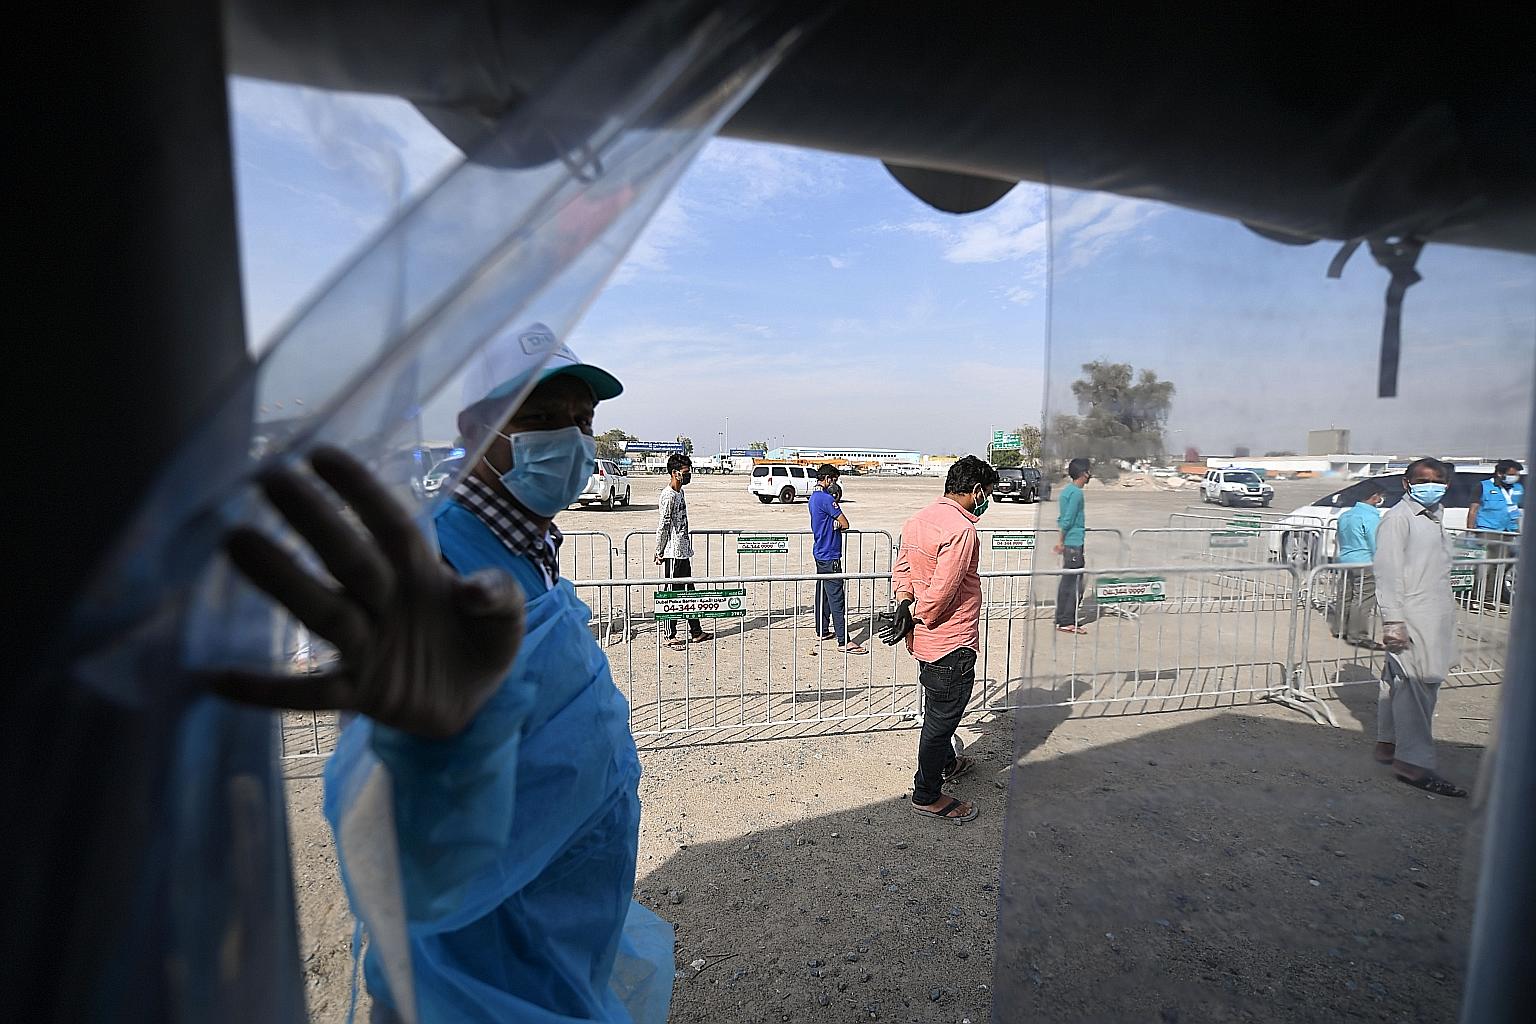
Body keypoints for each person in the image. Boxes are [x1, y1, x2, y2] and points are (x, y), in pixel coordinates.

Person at [215, 339, 675, 1022]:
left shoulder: (531, 548)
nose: (574, 440)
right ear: (474, 431)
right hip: (477, 972)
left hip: (554, 931)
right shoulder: (433, 568)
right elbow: (399, 840)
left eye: (583, 420)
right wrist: (432, 750)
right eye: (545, 416)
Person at [880, 455, 998, 823]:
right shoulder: (962, 529)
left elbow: (901, 569)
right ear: (976, 490)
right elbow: (944, 591)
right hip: (951, 639)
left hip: (925, 641)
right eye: (987, 493)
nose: (985, 501)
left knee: (938, 707)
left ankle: (947, 762)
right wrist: (914, 612)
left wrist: (903, 604)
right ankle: (927, 793)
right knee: (940, 722)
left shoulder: (919, 519)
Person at [1373, 457, 1468, 798]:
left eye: (1438, 480)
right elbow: (1387, 573)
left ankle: (1389, 744)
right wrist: (1394, 622)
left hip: (1434, 612)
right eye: (1423, 479)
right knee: (1418, 684)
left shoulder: (1434, 517)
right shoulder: (1399, 520)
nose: (1432, 485)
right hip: (1413, 616)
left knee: (1395, 681)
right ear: (1406, 483)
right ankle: (1412, 763)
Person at [655, 452, 711, 650]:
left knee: (689, 592)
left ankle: (696, 631)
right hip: (672, 552)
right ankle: (670, 634)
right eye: (685, 472)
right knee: (672, 594)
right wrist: (659, 550)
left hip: (684, 550)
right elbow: (663, 525)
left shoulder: (681, 493)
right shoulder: (668, 495)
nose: (688, 475)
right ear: (674, 473)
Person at [809, 464, 866, 655]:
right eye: (833, 479)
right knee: (836, 597)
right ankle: (844, 641)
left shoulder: (813, 497)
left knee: (823, 593)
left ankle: (822, 629)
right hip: (830, 553)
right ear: (828, 479)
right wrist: (836, 524)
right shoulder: (826, 499)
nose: (834, 483)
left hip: (820, 552)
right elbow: (845, 523)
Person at [1332, 481, 1386, 649]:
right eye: (1380, 495)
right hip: (1365, 561)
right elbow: (1374, 541)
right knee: (1362, 599)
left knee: (1345, 596)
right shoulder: (1371, 516)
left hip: (1346, 560)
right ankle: (1357, 635)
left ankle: (1340, 628)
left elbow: (1339, 537)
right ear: (1375, 496)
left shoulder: (1345, 515)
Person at [1053, 458, 1092, 634]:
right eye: (1088, 472)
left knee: (1067, 582)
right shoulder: (1076, 493)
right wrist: (1061, 541)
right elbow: (1067, 520)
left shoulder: (1066, 491)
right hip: (1074, 543)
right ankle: (1068, 621)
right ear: (1083, 473)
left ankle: (1061, 618)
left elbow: (1062, 519)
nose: (1090, 475)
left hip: (1070, 543)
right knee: (1075, 583)